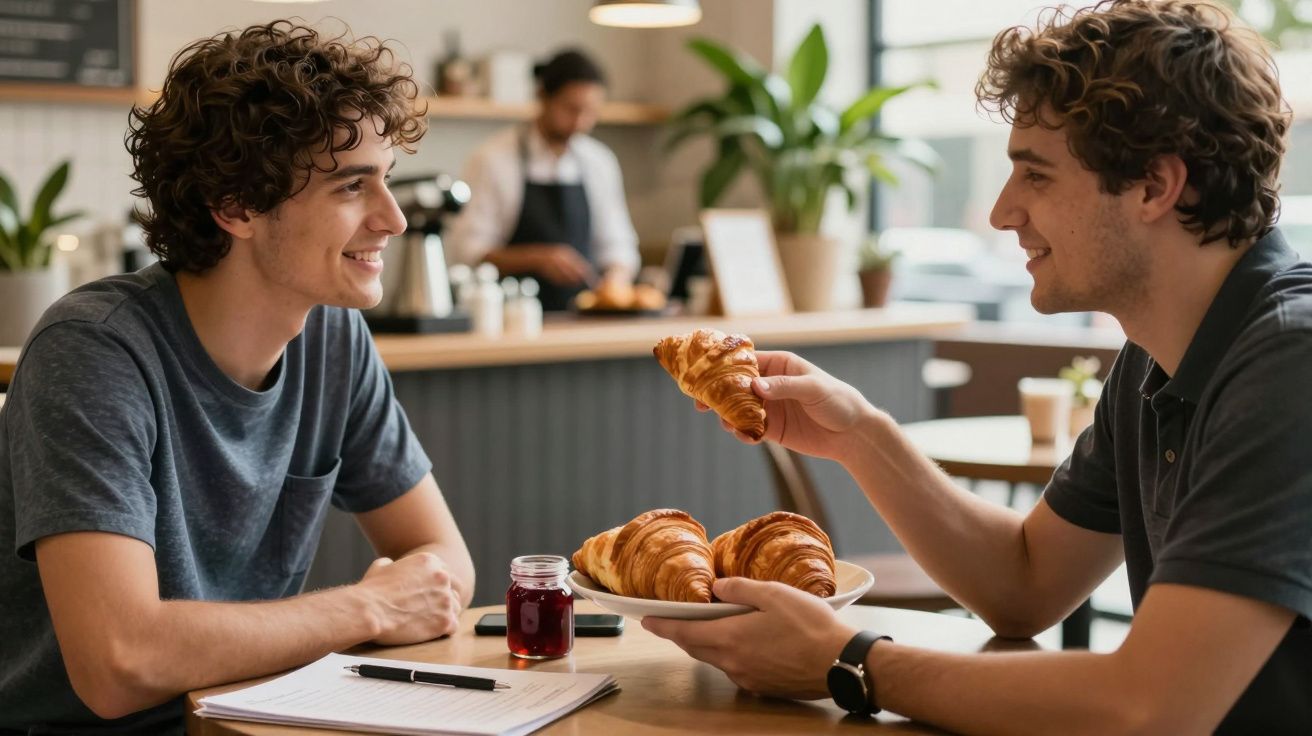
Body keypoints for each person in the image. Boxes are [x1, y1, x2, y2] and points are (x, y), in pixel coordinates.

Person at [644, 1, 1311, 733]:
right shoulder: (1154, 363)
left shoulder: (1290, 363)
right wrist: (857, 434)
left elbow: (1151, 706)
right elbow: (1024, 584)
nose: (1001, 212)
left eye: (1036, 176)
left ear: (1155, 186)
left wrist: (851, 662)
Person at [0, 22, 476, 733]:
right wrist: (371, 607)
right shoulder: (94, 352)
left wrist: (403, 595)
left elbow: (444, 565)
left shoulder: (333, 336)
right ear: (237, 206)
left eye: (388, 180)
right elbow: (117, 663)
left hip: (248, 718)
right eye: (353, 185)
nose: (395, 218)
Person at [445, 48, 640, 311]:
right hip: (509, 317)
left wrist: (616, 281)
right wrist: (538, 258)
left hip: (583, 319)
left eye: (590, 111)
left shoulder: (599, 162)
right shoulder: (492, 159)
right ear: (543, 97)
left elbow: (618, 246)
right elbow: (468, 251)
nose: (580, 122)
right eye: (571, 109)